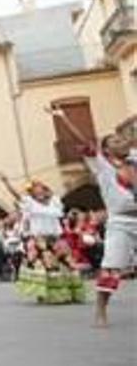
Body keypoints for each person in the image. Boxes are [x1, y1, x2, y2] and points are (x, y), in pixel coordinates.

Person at [50, 108, 136, 326]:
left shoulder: (134, 158)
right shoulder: (102, 165)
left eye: (121, 139)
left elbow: (127, 133)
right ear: (105, 149)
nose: (120, 141)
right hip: (121, 222)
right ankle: (100, 310)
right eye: (114, 141)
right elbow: (83, 140)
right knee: (111, 269)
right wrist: (63, 118)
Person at [0, 170, 85, 305]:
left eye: (40, 187)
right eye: (35, 188)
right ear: (32, 192)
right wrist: (6, 181)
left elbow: (58, 209)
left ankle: (70, 294)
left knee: (67, 264)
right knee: (48, 268)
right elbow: (16, 195)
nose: (39, 189)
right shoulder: (29, 203)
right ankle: (48, 295)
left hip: (56, 238)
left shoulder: (54, 201)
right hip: (40, 239)